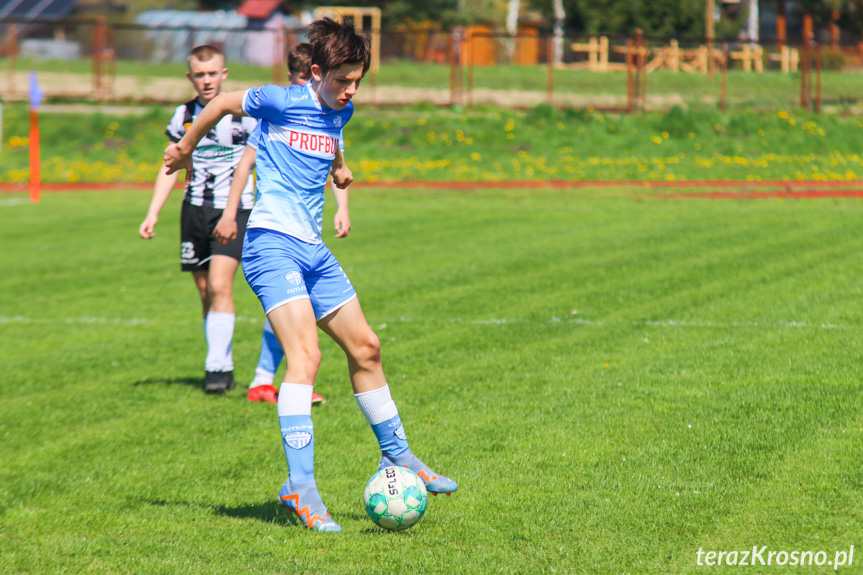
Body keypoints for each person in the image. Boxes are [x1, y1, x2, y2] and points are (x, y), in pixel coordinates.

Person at [164, 17, 457, 532]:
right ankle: (301, 490)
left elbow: (331, 140)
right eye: (342, 80)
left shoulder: (341, 111)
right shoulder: (279, 99)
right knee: (307, 357)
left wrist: (339, 167)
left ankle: (400, 456)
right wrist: (186, 148)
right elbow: (218, 104)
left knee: (366, 347)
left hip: (313, 250)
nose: (351, 89)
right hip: (270, 246)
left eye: (358, 80)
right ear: (317, 72)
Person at [215, 43, 350, 406]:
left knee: (343, 340)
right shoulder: (277, 114)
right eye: (301, 78)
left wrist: (343, 206)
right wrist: (230, 213)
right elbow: (245, 165)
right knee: (293, 324)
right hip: (272, 230)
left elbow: (332, 163)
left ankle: (280, 379)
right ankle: (265, 379)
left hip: (307, 237)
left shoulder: (334, 114)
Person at [139, 45, 257, 394]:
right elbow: (170, 166)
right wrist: (153, 212)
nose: (206, 80)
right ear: (190, 77)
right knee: (206, 291)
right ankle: (224, 361)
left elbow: (256, 161)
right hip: (194, 210)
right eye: (200, 74)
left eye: (212, 73)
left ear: (224, 74)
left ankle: (215, 371)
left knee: (221, 285)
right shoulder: (182, 116)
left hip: (233, 210)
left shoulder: (243, 114)